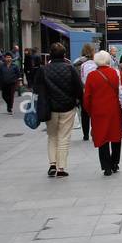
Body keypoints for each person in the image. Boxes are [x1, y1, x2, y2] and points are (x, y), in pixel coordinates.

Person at [34, 42, 83, 178]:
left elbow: (36, 88)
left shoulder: (43, 69)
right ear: (64, 55)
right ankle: (61, 168)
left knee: (52, 136)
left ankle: (52, 164)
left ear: (50, 54)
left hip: (50, 108)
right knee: (64, 137)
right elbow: (79, 88)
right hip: (67, 107)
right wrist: (78, 101)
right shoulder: (70, 69)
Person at [84, 50, 122, 176]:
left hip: (98, 112)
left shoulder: (91, 76)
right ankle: (115, 163)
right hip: (115, 110)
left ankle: (106, 167)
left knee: (102, 137)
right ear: (108, 60)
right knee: (116, 137)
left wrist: (90, 111)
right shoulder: (116, 73)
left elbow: (87, 97)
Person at [75, 43, 98, 141]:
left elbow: (75, 77)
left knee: (84, 113)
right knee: (95, 111)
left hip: (82, 90)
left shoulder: (77, 63)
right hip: (95, 90)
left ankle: (85, 135)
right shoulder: (96, 62)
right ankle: (94, 130)